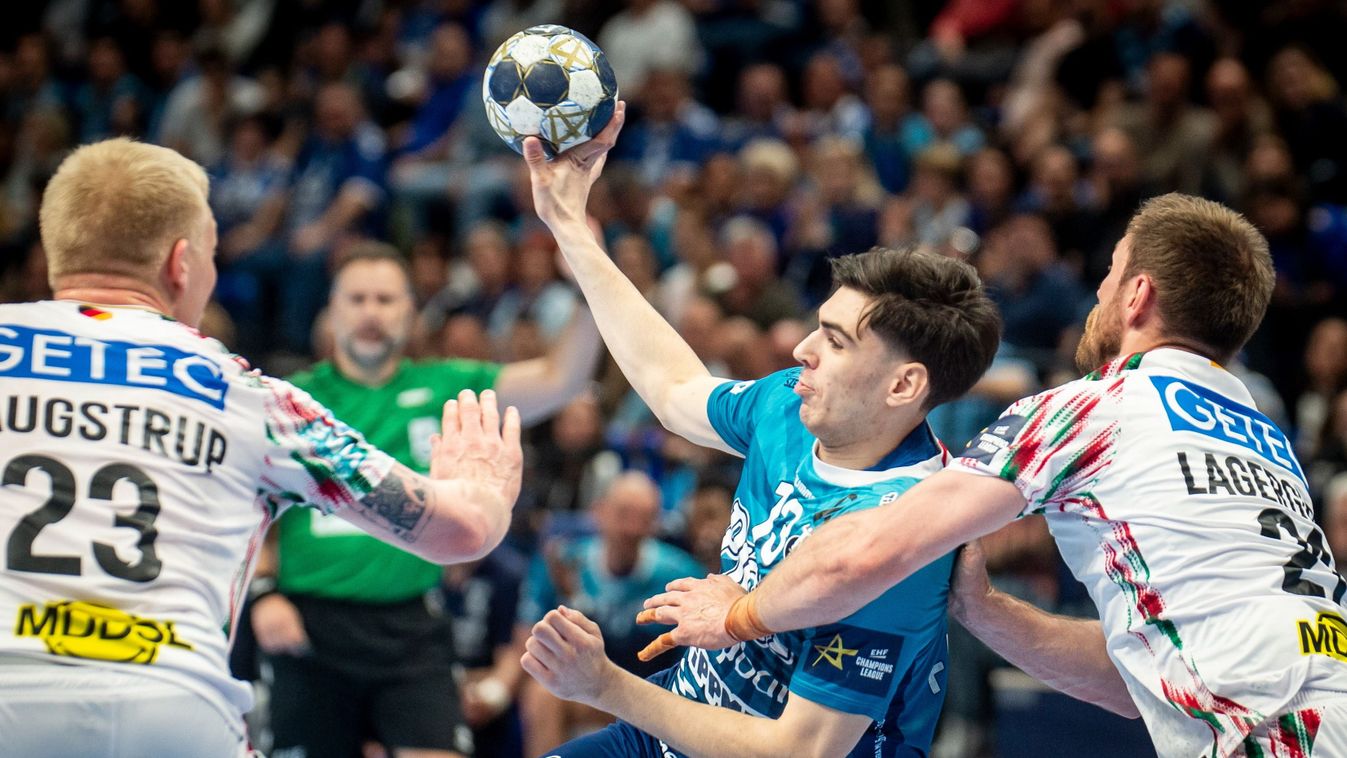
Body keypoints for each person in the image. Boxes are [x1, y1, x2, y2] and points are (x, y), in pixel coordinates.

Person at [638, 193, 1347, 757]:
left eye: (1108, 273)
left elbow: (864, 551)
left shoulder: (1098, 406)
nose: (1097, 293)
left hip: (1273, 732)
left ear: (1136, 296)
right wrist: (983, 609)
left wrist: (737, 615)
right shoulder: (1265, 440)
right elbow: (1138, 681)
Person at [0, 138, 522, 757]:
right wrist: (482, 491)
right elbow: (457, 533)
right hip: (170, 703)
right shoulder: (246, 395)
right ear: (181, 263)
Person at [518, 103, 1003, 756]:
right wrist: (571, 229)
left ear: (902, 386)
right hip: (674, 725)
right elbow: (673, 390)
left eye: (835, 341)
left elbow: (798, 750)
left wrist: (603, 685)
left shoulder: (900, 541)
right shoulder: (791, 404)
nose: (802, 350)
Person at [248, 241, 600, 758]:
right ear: (332, 311)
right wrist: (263, 594)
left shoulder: (448, 389)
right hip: (308, 626)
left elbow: (560, 379)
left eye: (386, 299)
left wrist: (586, 282)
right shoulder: (291, 400)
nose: (371, 313)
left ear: (411, 311)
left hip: (410, 626)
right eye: (357, 299)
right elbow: (251, 510)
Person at [516, 471, 704, 756]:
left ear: (656, 523)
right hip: (587, 688)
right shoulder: (564, 561)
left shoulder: (681, 574)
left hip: (653, 693)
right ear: (598, 512)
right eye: (624, 514)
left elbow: (697, 656)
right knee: (541, 693)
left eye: (644, 518)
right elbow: (526, 634)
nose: (631, 528)